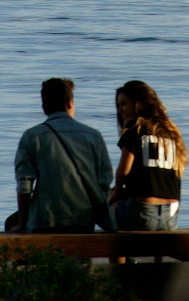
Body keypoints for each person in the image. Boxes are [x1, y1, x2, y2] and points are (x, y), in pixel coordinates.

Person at [12, 77, 115, 233]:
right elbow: (105, 182)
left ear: (44, 108)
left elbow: (24, 186)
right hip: (84, 220)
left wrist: (22, 225)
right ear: (69, 103)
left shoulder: (32, 136)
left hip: (45, 221)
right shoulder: (93, 136)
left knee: (10, 223)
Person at [109, 80, 188, 230]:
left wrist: (115, 194)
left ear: (139, 103)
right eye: (118, 106)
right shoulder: (171, 133)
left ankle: (119, 252)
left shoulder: (134, 129)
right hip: (171, 216)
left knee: (104, 205)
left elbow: (123, 172)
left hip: (143, 212)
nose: (120, 111)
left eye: (124, 104)